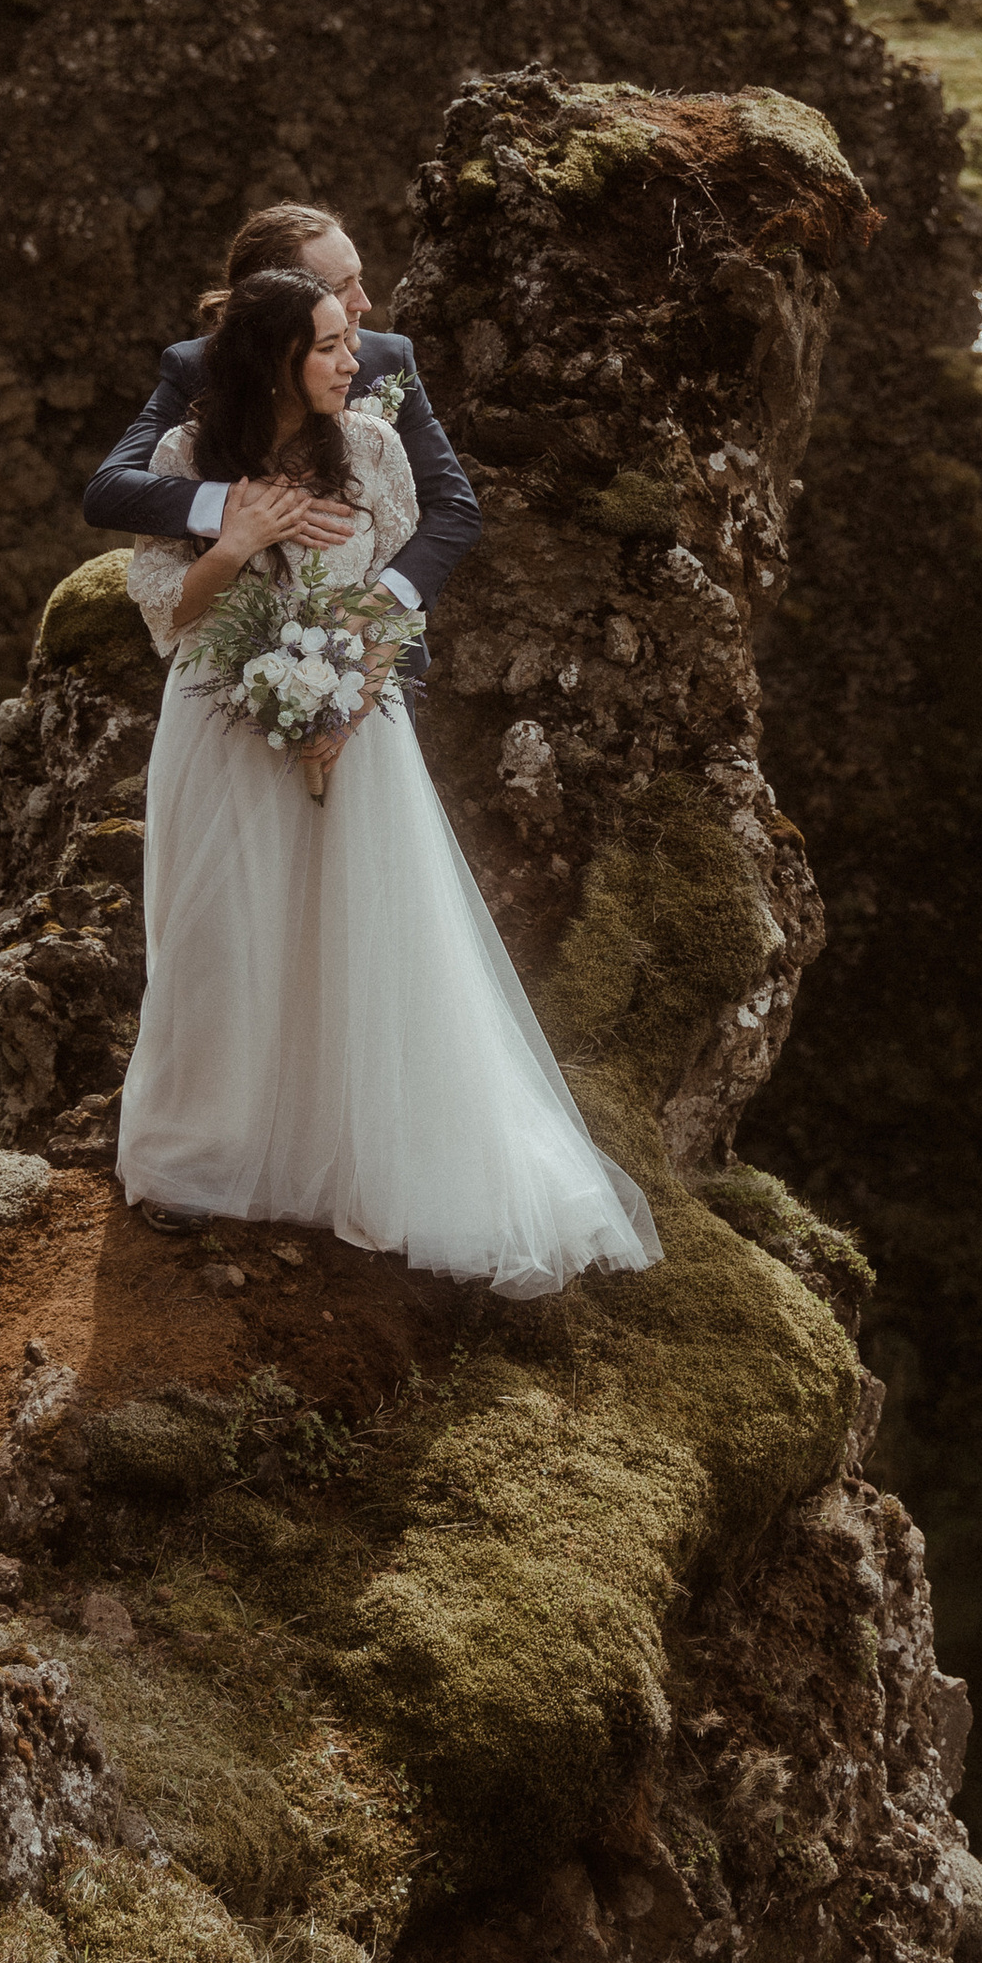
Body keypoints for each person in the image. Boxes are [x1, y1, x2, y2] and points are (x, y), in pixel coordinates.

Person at [113, 269, 662, 1297]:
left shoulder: (368, 446)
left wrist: (346, 702)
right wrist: (237, 541)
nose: (351, 358)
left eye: (344, 341)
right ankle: (196, 1157)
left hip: (355, 726)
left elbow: (395, 591)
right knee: (218, 932)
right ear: (275, 359)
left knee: (352, 932)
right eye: (326, 344)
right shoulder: (189, 459)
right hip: (215, 722)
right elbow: (169, 613)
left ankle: (339, 1152)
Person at [83, 200, 481, 666]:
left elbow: (454, 508)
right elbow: (108, 492)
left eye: (359, 278)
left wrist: (371, 610)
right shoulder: (199, 366)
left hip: (372, 661)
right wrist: (239, 504)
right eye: (340, 286)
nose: (363, 302)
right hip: (239, 665)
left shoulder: (389, 361)